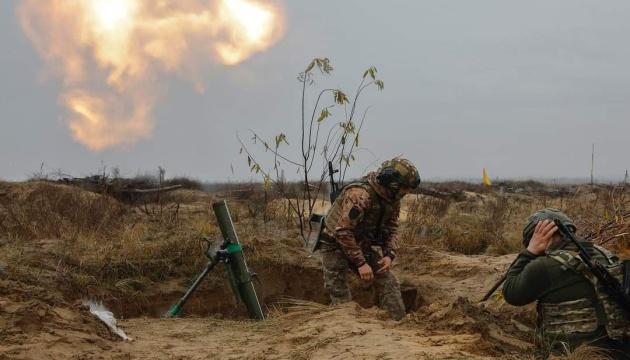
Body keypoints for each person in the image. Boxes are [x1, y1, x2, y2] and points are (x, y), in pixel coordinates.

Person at [503, 208, 630, 359]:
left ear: (538, 236)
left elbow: (511, 292)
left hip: (581, 354)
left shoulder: (545, 266)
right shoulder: (605, 254)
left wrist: (530, 252)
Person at [318, 158, 420, 320]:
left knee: (388, 281)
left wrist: (389, 255)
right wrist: (361, 263)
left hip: (360, 243)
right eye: (405, 187)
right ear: (392, 183)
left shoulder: (392, 198)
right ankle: (347, 330)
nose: (407, 192)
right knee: (338, 290)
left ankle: (399, 324)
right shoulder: (360, 195)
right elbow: (343, 231)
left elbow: (391, 228)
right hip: (334, 243)